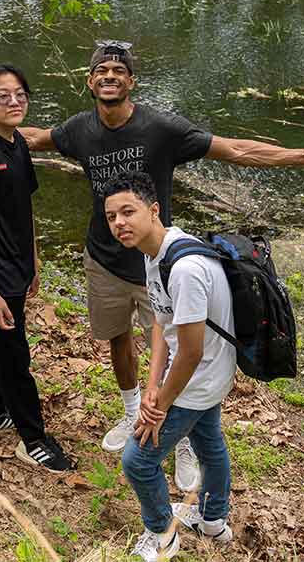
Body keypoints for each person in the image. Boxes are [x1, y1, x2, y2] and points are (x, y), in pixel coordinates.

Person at [0, 41, 304, 492]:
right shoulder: (80, 129)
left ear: (131, 81)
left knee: (177, 348)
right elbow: (33, 137)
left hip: (156, 263)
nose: (110, 76)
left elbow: (233, 149)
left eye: (119, 70)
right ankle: (129, 409)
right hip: (103, 261)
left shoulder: (160, 127)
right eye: (101, 70)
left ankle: (179, 438)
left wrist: (301, 155)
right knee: (119, 342)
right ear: (89, 81)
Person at [103, 171, 236, 561]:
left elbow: (191, 352)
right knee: (209, 443)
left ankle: (162, 533)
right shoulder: (154, 253)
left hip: (201, 376)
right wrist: (151, 385)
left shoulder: (185, 268)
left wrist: (159, 406)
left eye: (128, 212)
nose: (119, 223)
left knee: (138, 459)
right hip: (201, 373)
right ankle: (213, 522)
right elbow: (163, 323)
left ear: (154, 209)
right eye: (112, 217)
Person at [0, 63, 74, 472]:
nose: (15, 101)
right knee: (12, 351)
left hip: (14, 266)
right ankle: (33, 439)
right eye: (3, 95)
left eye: (20, 93)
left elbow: (24, 206)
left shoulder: (16, 143)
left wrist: (34, 260)